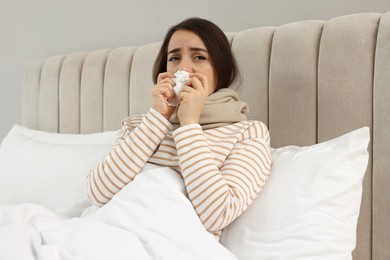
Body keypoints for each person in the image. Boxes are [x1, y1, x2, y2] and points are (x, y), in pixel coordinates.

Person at [86, 17, 272, 239]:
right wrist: (158, 117)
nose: (183, 68)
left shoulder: (247, 133)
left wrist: (189, 124)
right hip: (106, 232)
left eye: (199, 57)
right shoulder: (137, 126)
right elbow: (98, 192)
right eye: (174, 58)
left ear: (220, 70)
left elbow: (216, 214)